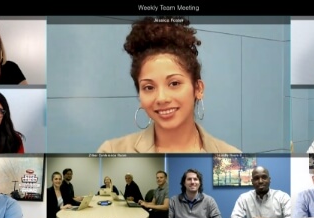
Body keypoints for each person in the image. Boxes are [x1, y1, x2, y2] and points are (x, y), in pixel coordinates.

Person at [97, 17, 241, 153]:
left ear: (198, 89)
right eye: (149, 87)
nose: (161, 98)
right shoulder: (112, 152)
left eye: (174, 83)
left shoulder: (231, 157)